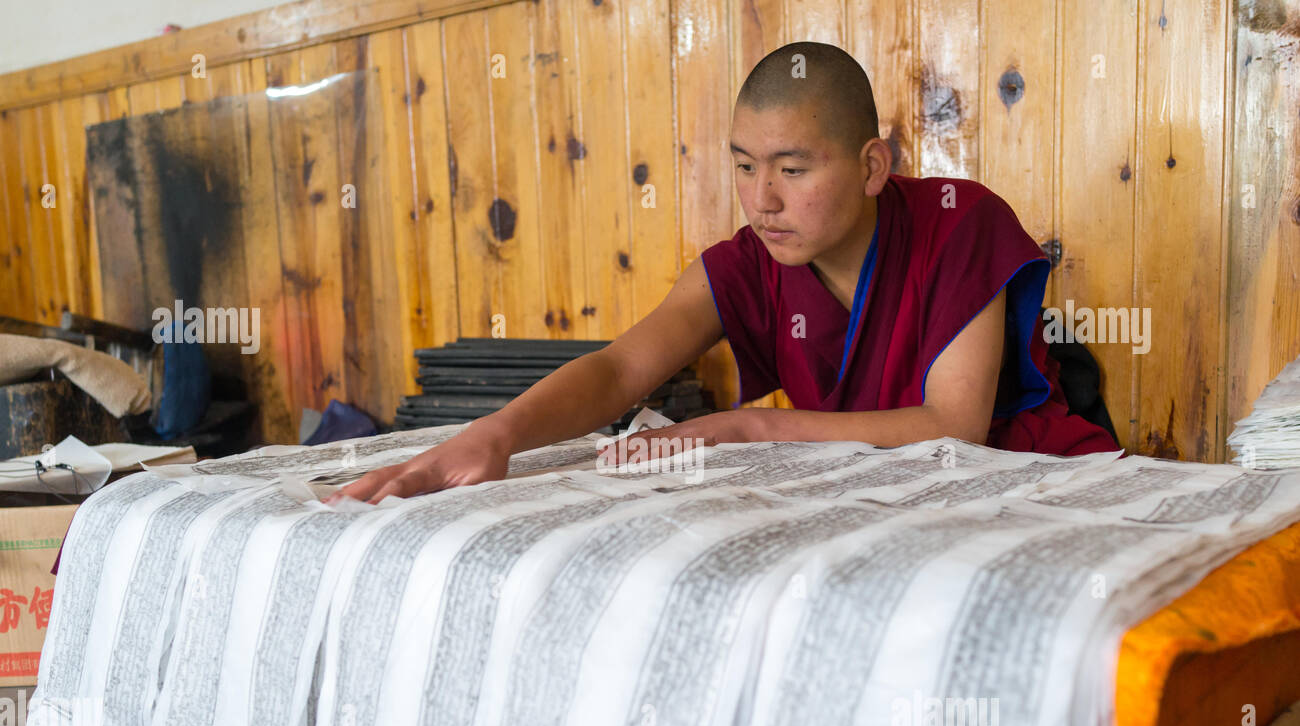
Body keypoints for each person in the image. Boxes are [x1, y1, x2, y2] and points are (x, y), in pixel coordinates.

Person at [330, 41, 1119, 505]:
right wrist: (496, 433)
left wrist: (748, 424)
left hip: (1024, 482)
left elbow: (953, 427)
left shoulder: (959, 220)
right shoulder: (748, 264)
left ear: (873, 165)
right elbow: (617, 368)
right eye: (744, 166)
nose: (763, 200)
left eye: (793, 169)